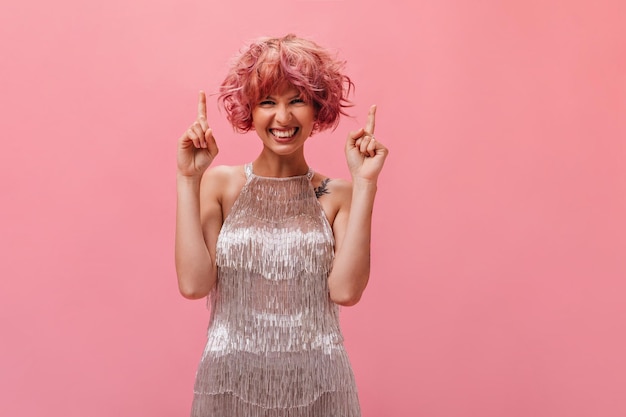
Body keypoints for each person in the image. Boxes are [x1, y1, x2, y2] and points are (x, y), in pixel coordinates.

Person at [175, 34, 388, 417]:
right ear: (250, 111)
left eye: (297, 101)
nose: (283, 118)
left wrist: (366, 183)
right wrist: (188, 179)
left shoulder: (338, 194)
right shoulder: (220, 184)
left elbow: (345, 291)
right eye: (268, 102)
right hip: (229, 384)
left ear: (317, 108)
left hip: (319, 387)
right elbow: (193, 285)